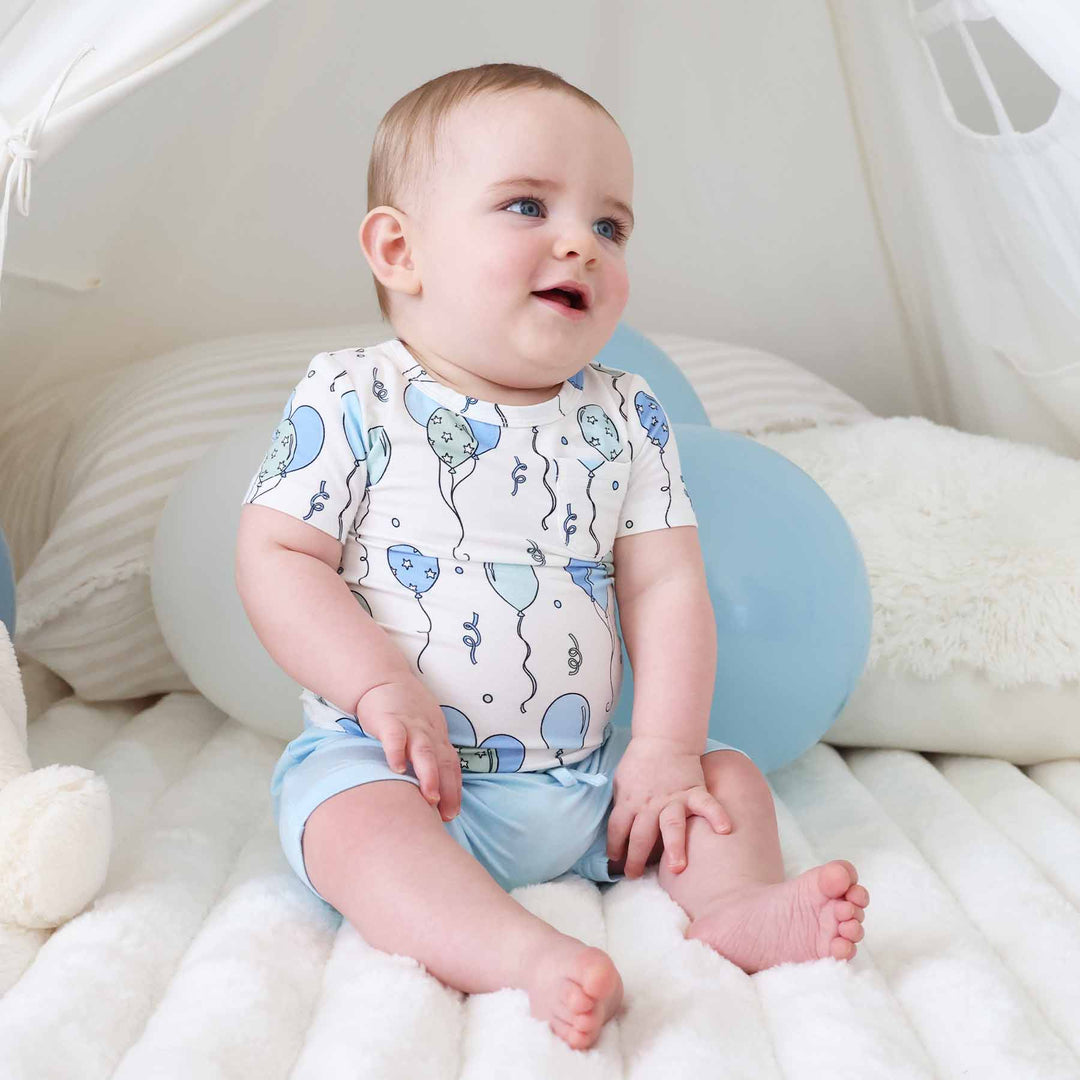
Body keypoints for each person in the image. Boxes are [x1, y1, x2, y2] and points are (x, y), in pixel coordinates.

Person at [235, 62, 869, 1052]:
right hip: (406, 773)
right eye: (527, 204)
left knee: (727, 782)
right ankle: (516, 952)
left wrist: (660, 752)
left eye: (611, 226)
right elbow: (278, 554)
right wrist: (377, 688)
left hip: (589, 781)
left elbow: (666, 582)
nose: (580, 241)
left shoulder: (628, 415)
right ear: (400, 249)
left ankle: (736, 907)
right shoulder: (352, 395)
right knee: (348, 825)